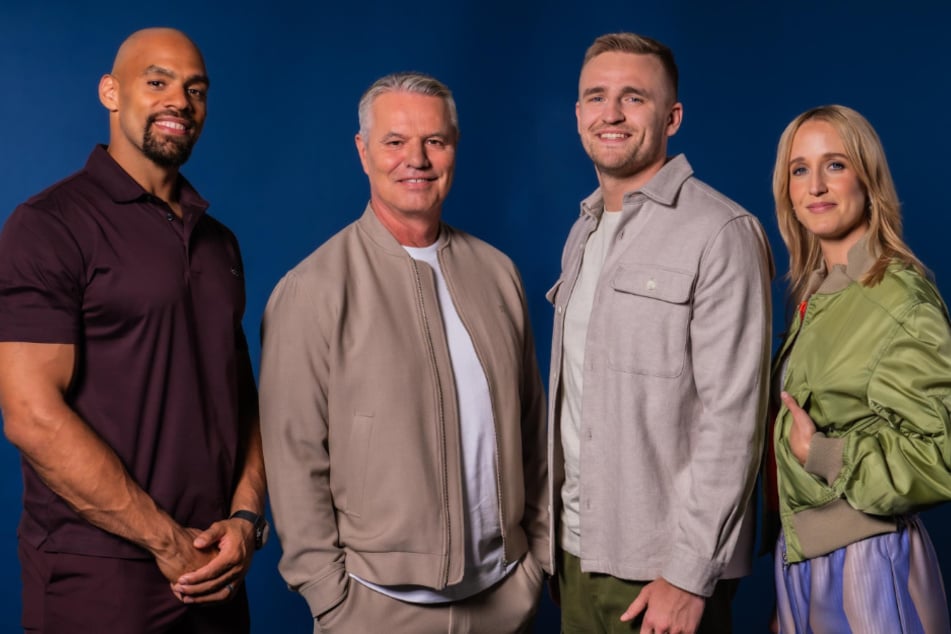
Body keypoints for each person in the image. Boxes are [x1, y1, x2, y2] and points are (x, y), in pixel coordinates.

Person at [258, 72, 549, 633]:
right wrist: (330, 597)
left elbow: (532, 430)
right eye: (395, 142)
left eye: (434, 142)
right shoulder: (314, 288)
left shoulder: (498, 273)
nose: (416, 159)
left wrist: (535, 563)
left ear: (453, 150)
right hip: (374, 610)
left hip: (503, 599)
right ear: (363, 152)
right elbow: (293, 457)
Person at [0, 28, 267, 633]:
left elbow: (241, 391)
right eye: (157, 81)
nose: (180, 100)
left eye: (195, 89)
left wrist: (247, 517)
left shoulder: (219, 241)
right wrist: (165, 540)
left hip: (216, 567)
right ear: (110, 93)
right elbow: (31, 414)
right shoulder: (49, 225)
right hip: (98, 576)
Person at [547, 32, 773, 634]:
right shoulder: (584, 231)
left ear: (672, 117)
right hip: (572, 557)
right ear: (578, 114)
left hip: (661, 577)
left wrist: (688, 573)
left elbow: (736, 418)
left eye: (633, 98)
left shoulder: (721, 232)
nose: (611, 114)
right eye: (596, 97)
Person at [769, 104, 951, 633]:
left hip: (869, 561)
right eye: (800, 169)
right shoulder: (819, 295)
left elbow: (941, 455)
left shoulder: (897, 296)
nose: (816, 186)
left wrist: (822, 452)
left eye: (836, 165)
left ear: (867, 179)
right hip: (806, 562)